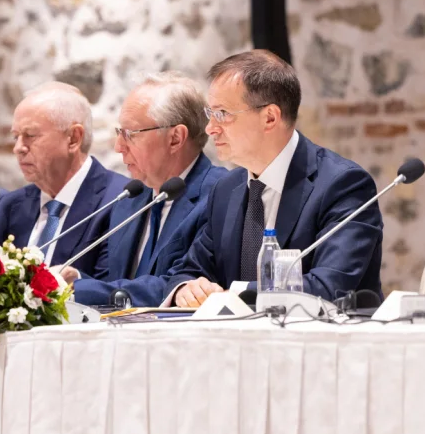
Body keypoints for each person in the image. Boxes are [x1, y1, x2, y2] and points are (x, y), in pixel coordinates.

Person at [164, 50, 384, 307]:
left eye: (222, 113)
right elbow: (189, 270)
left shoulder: (343, 186)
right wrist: (185, 289)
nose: (211, 128)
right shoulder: (226, 190)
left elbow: (329, 287)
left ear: (269, 117)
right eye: (209, 114)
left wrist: (236, 293)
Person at [61, 73, 227, 306]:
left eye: (129, 134)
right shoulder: (130, 199)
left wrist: (81, 289)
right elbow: (117, 286)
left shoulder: (220, 196)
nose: (119, 147)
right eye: (119, 133)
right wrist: (75, 279)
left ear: (175, 138)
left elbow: (177, 287)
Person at [0, 83, 128, 274]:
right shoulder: (7, 208)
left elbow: (110, 290)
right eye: (16, 137)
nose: (18, 148)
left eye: (30, 136)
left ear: (73, 138)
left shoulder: (119, 200)